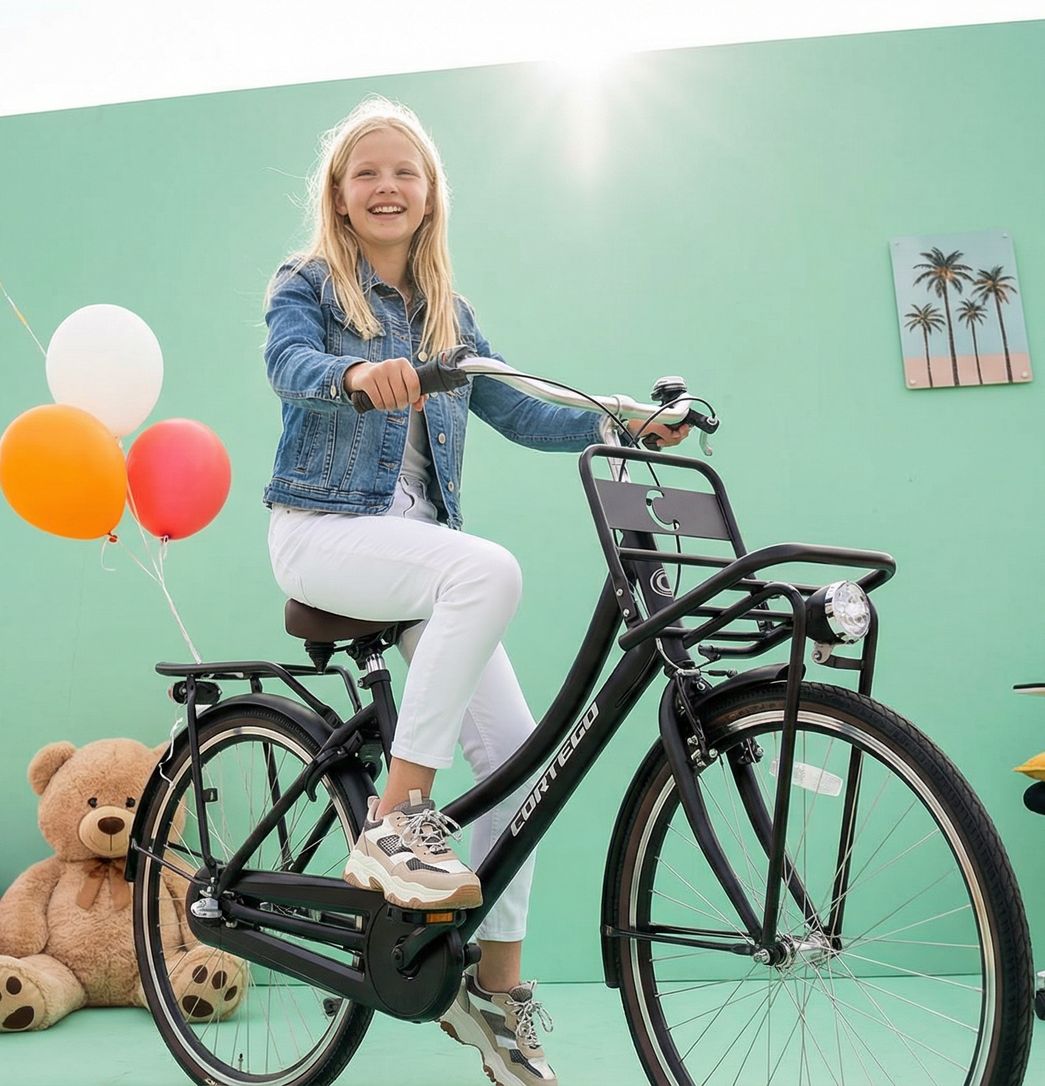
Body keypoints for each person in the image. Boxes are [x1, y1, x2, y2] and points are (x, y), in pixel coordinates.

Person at [261, 98, 686, 1086]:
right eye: (366, 172)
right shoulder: (309, 283)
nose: (386, 186)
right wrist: (357, 374)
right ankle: (394, 820)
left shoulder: (449, 313)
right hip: (322, 531)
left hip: (413, 553)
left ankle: (495, 992)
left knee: (521, 760)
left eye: (403, 172)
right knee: (486, 568)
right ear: (339, 194)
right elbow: (287, 363)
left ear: (429, 194)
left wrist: (618, 421)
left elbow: (520, 412)